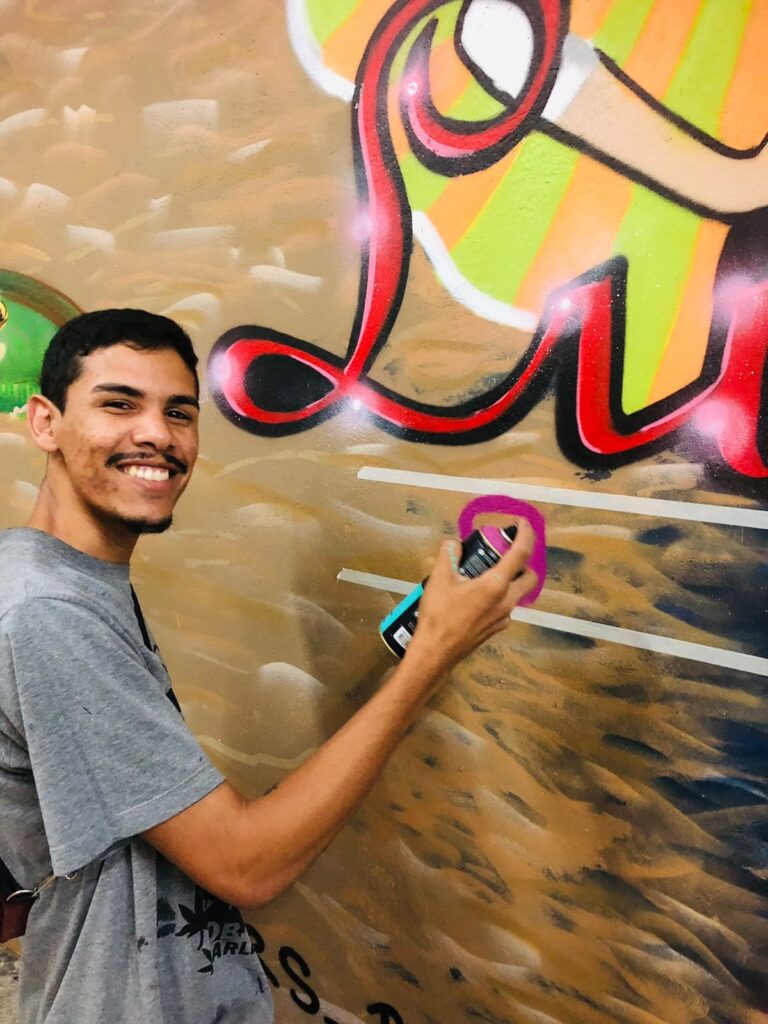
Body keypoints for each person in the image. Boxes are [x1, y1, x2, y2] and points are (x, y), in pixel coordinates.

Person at [0, 309, 537, 1024]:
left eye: (179, 412)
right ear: (46, 423)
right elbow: (246, 865)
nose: (157, 434)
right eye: (119, 404)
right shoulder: (50, 615)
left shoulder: (53, 575)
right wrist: (430, 655)